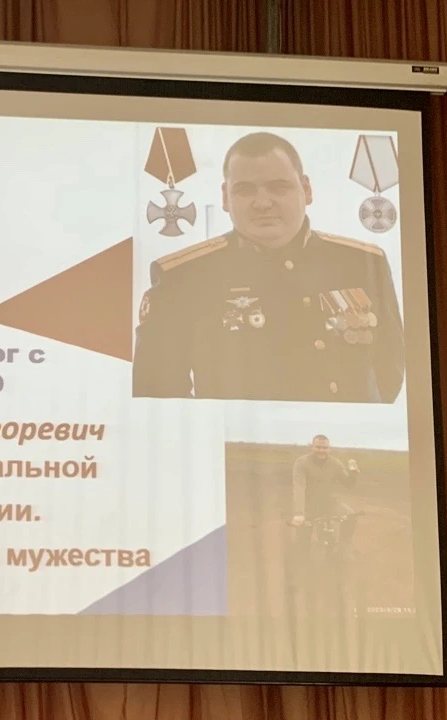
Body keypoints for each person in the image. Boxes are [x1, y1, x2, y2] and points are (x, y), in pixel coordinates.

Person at [132, 131, 405, 403]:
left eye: (278, 187)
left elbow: (389, 373)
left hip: (343, 430)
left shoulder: (362, 263)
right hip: (237, 432)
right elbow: (156, 391)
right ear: (225, 197)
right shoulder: (183, 277)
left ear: (306, 190)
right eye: (245, 190)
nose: (262, 203)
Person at [286, 434, 361, 613]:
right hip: (308, 505)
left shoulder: (335, 463)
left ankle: (344, 546)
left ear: (329, 448)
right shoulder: (301, 463)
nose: (321, 450)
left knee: (351, 516)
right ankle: (299, 576)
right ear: (311, 447)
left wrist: (353, 473)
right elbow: (299, 487)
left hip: (329, 502)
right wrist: (299, 513)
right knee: (303, 541)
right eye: (318, 447)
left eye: (325, 448)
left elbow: (348, 484)